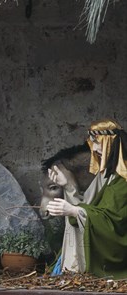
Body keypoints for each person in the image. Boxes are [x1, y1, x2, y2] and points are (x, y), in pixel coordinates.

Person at [47, 119, 127, 278]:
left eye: (98, 143)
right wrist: (68, 186)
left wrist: (76, 211)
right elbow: (89, 205)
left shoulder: (123, 178)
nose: (95, 148)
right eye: (93, 143)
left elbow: (114, 220)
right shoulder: (105, 175)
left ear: (112, 143)